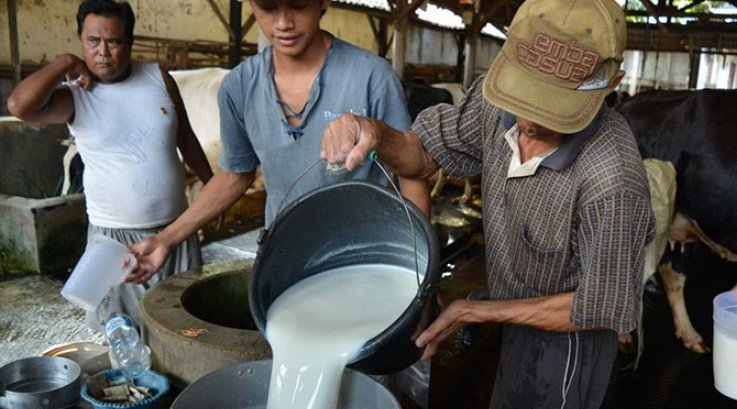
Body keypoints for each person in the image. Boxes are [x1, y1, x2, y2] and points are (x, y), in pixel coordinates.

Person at [321, 0, 655, 409]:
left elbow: (597, 308)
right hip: (509, 312)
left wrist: (476, 311)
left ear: (612, 83)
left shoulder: (613, 177)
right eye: (524, 96)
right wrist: (373, 132)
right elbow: (421, 156)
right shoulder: (494, 102)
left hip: (568, 347)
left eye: (552, 107)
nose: (528, 123)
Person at [127, 0, 429, 284]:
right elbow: (236, 173)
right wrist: (165, 239)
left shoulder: (372, 77)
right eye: (268, 7)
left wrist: (420, 273)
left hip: (363, 259)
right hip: (283, 257)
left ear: (323, 1)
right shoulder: (239, 86)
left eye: (297, 5)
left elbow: (411, 176)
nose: (283, 23)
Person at [7, 0, 213, 330]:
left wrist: (211, 188)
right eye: (92, 42)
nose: (103, 52)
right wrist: (65, 63)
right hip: (114, 241)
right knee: (122, 334)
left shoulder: (159, 78)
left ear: (129, 43)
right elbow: (19, 105)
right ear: (81, 42)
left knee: (184, 326)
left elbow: (185, 137)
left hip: (176, 231)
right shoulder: (75, 96)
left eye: (114, 42)